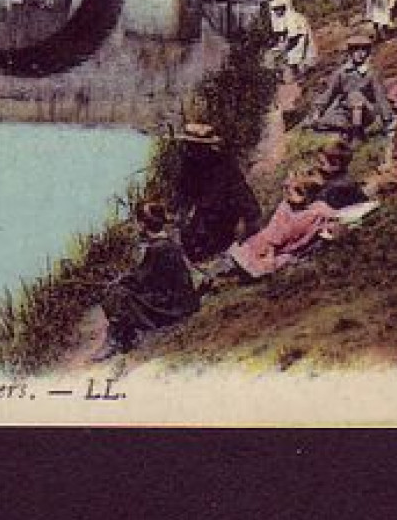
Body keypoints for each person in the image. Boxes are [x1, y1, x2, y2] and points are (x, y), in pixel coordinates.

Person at [96, 200, 204, 357]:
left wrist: (120, 281)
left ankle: (118, 340)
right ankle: (122, 336)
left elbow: (142, 280)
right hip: (182, 300)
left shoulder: (157, 248)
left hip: (173, 306)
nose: (136, 227)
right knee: (121, 291)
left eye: (137, 223)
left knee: (117, 294)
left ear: (142, 225)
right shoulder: (167, 243)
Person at [170, 122, 262, 263]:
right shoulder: (188, 163)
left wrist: (243, 220)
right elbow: (182, 192)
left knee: (211, 247)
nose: (193, 150)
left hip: (225, 218)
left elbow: (242, 194)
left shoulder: (224, 164)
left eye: (198, 146)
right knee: (189, 242)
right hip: (204, 216)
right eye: (190, 145)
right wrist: (178, 212)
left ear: (207, 147)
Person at [227, 172, 342, 279]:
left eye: (301, 191)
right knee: (234, 264)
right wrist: (269, 255)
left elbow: (333, 217)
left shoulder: (317, 210)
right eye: (291, 190)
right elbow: (275, 232)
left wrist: (333, 224)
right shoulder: (285, 208)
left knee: (276, 262)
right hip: (265, 247)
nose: (293, 195)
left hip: (285, 251)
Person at [308, 31, 391, 138]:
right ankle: (348, 129)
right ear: (350, 52)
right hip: (345, 112)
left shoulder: (371, 73)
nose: (360, 54)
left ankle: (357, 135)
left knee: (355, 96)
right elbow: (329, 93)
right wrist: (318, 112)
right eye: (356, 50)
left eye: (364, 50)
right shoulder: (341, 72)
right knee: (320, 123)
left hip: (366, 112)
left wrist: (386, 119)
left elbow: (380, 97)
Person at [270, 0, 317, 80]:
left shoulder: (290, 17)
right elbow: (288, 32)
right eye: (274, 10)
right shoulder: (290, 16)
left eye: (277, 9)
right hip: (301, 41)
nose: (276, 12)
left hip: (302, 43)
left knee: (292, 60)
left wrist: (284, 49)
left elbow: (294, 37)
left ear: (282, 8)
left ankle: (298, 77)